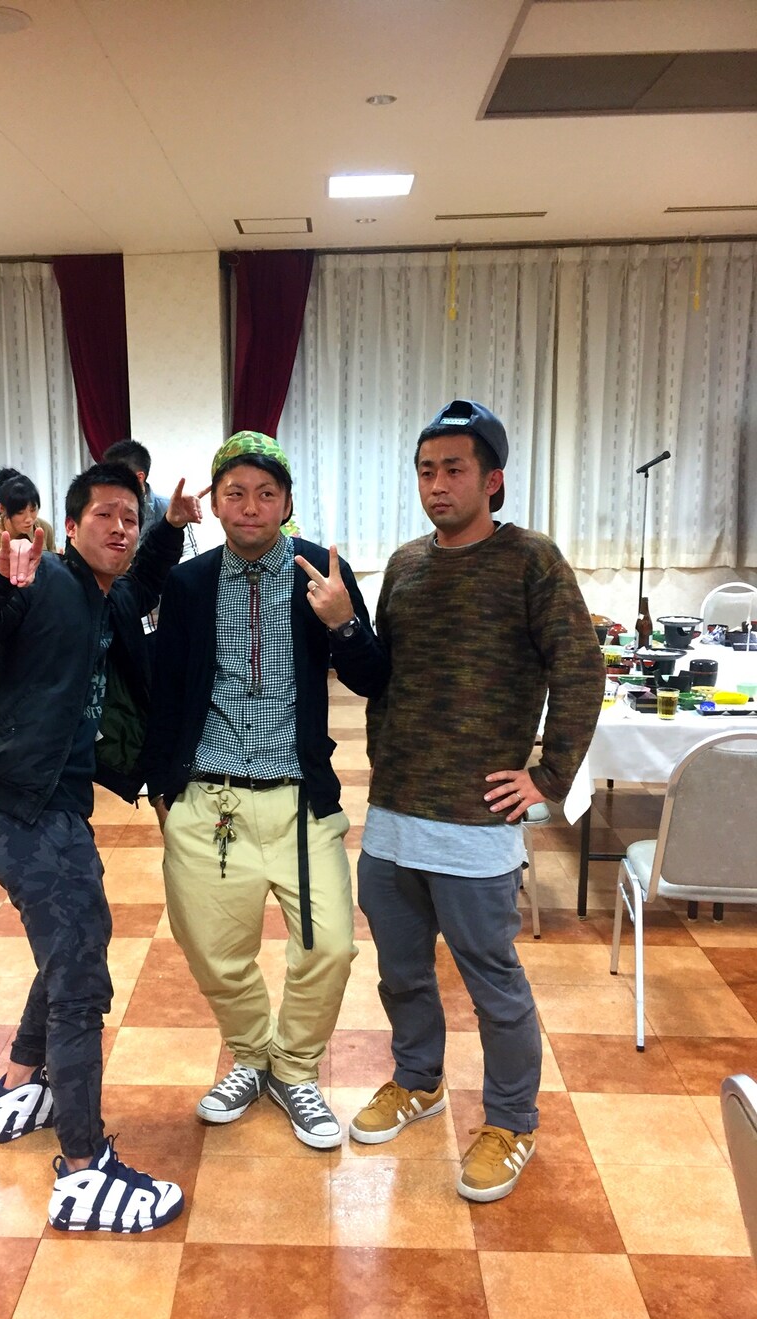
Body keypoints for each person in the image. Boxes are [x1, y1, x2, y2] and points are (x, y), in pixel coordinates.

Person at [0, 461, 204, 1233]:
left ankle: (21, 1083)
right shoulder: (42, 581)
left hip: (56, 809)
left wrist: (169, 529)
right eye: (104, 515)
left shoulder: (102, 595)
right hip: (24, 812)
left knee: (72, 944)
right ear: (71, 526)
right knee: (80, 974)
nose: (120, 527)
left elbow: (141, 583)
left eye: (130, 517)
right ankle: (84, 1171)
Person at [352, 400, 603, 1201]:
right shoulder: (405, 564)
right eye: (426, 471)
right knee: (401, 972)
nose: (437, 485)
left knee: (493, 983)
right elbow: (386, 677)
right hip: (394, 816)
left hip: (474, 822)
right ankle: (417, 1080)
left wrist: (549, 777)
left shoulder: (531, 560)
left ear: (492, 479)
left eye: (454, 469)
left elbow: (581, 668)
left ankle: (512, 1121)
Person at [142, 431, 389, 1149]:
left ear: (286, 503)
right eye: (236, 493)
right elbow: (166, 690)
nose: (250, 507)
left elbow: (373, 678)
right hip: (209, 797)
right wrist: (163, 790)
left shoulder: (322, 575)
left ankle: (296, 1068)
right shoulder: (190, 584)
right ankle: (253, 1057)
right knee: (211, 947)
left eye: (266, 494)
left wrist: (344, 624)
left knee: (330, 947)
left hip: (299, 799)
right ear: (216, 504)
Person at [103, 439, 198, 556]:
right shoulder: (104, 508)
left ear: (139, 478)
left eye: (116, 479)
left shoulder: (169, 507)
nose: (110, 484)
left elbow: (189, 553)